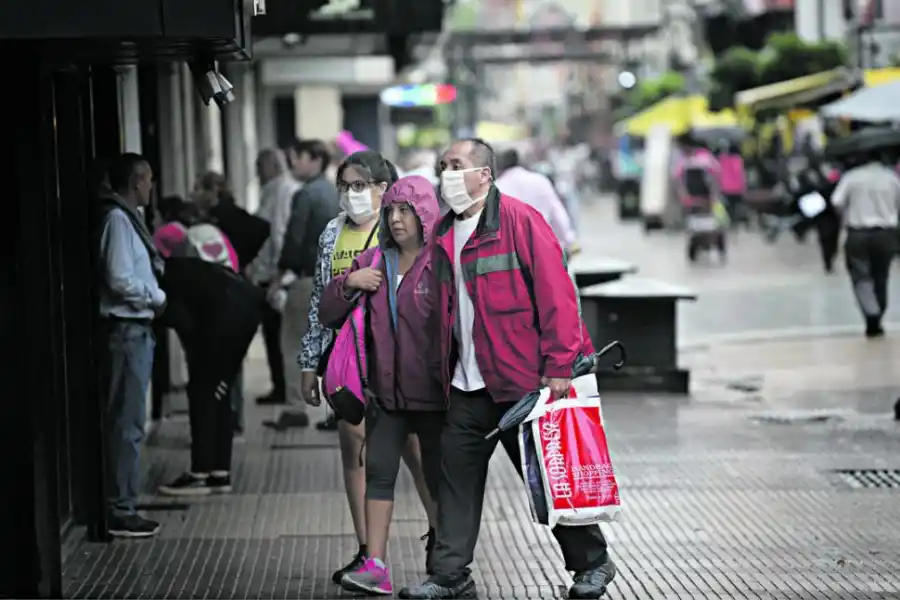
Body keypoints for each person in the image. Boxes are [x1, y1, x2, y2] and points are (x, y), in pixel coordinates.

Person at [400, 139, 615, 600]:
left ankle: (592, 563)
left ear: (484, 175)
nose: (445, 173)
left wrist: (559, 365)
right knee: (454, 479)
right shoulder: (442, 232)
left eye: (456, 165)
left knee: (549, 480)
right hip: (466, 384)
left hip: (524, 386)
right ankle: (450, 573)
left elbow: (558, 295)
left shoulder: (519, 221)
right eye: (442, 165)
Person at [298, 151, 439, 583]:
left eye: (359, 185)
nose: (350, 195)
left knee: (414, 453)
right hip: (347, 360)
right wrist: (310, 362)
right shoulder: (331, 233)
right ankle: (367, 552)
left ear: (384, 187)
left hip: (394, 358)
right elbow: (320, 299)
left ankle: (441, 538)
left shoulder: (399, 228)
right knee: (355, 452)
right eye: (344, 186)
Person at [97, 153, 166, 537]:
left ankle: (123, 501)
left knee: (131, 420)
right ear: (136, 182)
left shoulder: (127, 219)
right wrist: (154, 297)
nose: (151, 186)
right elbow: (119, 277)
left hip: (135, 330)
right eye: (149, 179)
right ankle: (120, 508)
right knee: (126, 422)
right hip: (125, 329)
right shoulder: (119, 221)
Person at [264, 139, 340, 429]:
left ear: (315, 160)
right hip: (338, 282)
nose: (294, 163)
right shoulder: (336, 193)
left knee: (293, 343)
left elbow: (294, 241)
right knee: (334, 347)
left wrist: (279, 275)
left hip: (308, 280)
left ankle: (296, 408)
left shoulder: (305, 195)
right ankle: (338, 411)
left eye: (298, 157)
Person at [247, 149, 302, 410]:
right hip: (270, 274)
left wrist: (279, 276)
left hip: (275, 276)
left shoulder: (281, 191)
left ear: (271, 166)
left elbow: (278, 234)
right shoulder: (274, 190)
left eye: (259, 166)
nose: (256, 172)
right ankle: (280, 386)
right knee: (274, 335)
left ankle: (284, 389)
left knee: (279, 335)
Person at [830, 151, 900, 337]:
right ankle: (878, 314)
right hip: (886, 233)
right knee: (881, 276)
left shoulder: (852, 178)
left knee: (861, 275)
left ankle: (871, 312)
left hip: (858, 232)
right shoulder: (891, 178)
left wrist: (849, 211)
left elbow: (836, 201)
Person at [495, 148, 579, 257]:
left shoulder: (498, 187)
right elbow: (557, 213)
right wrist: (569, 240)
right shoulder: (540, 181)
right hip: (542, 247)